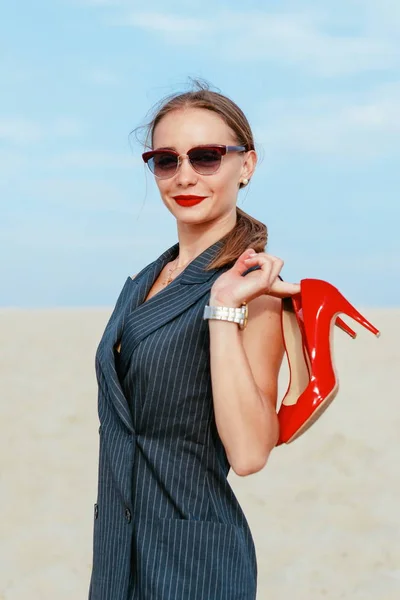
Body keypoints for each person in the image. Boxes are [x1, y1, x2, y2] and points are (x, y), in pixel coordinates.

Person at [88, 81, 300, 600]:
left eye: (206, 157)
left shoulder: (254, 293)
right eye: (166, 159)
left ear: (245, 166)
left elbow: (250, 453)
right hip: (117, 561)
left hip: (196, 568)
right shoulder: (142, 281)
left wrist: (223, 308)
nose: (184, 176)